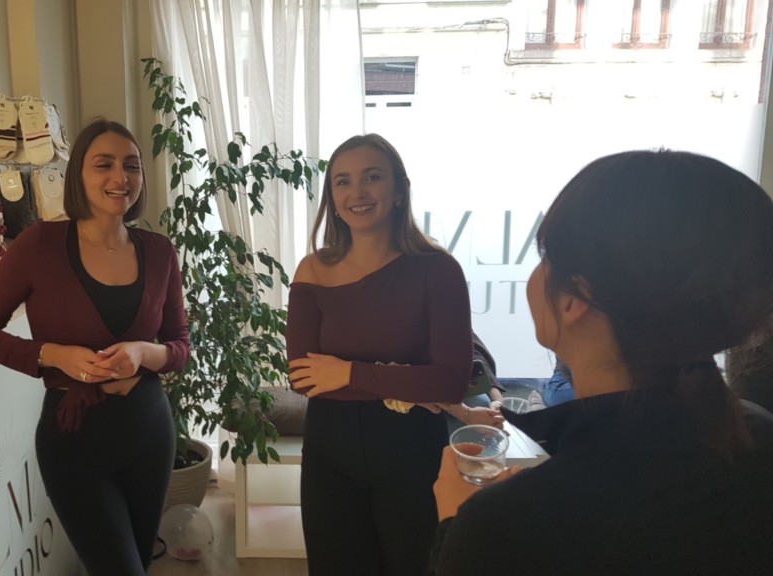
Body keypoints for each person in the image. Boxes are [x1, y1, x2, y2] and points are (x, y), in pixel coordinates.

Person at [432, 150, 773, 575]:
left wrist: (456, 522)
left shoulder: (512, 523)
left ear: (575, 299)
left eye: (546, 257)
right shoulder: (759, 437)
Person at [0, 118, 189, 575]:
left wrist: (144, 353)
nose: (120, 177)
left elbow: (179, 346)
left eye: (131, 165)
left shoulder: (159, 251)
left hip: (148, 430)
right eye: (104, 164)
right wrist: (53, 355)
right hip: (76, 439)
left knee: (139, 563)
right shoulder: (39, 245)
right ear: (77, 176)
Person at [287, 133, 473, 575]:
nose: (358, 192)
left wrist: (347, 373)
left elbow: (450, 382)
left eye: (372, 177)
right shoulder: (312, 270)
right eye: (343, 181)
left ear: (399, 189)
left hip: (412, 453)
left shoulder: (439, 270)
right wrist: (408, 384)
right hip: (330, 454)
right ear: (332, 198)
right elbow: (304, 377)